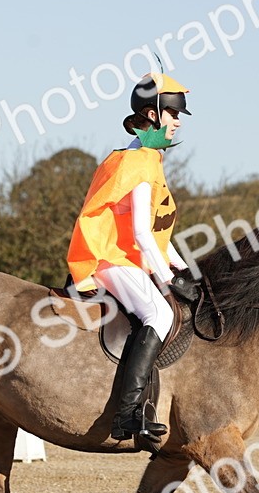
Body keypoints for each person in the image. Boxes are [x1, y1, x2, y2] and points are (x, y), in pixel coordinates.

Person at [66, 72, 197, 441]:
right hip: (111, 258)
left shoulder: (147, 158)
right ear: (153, 114)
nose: (177, 122)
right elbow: (140, 234)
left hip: (128, 256)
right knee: (160, 312)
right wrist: (169, 279)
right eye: (173, 114)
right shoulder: (138, 161)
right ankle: (126, 415)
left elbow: (156, 233)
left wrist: (185, 269)